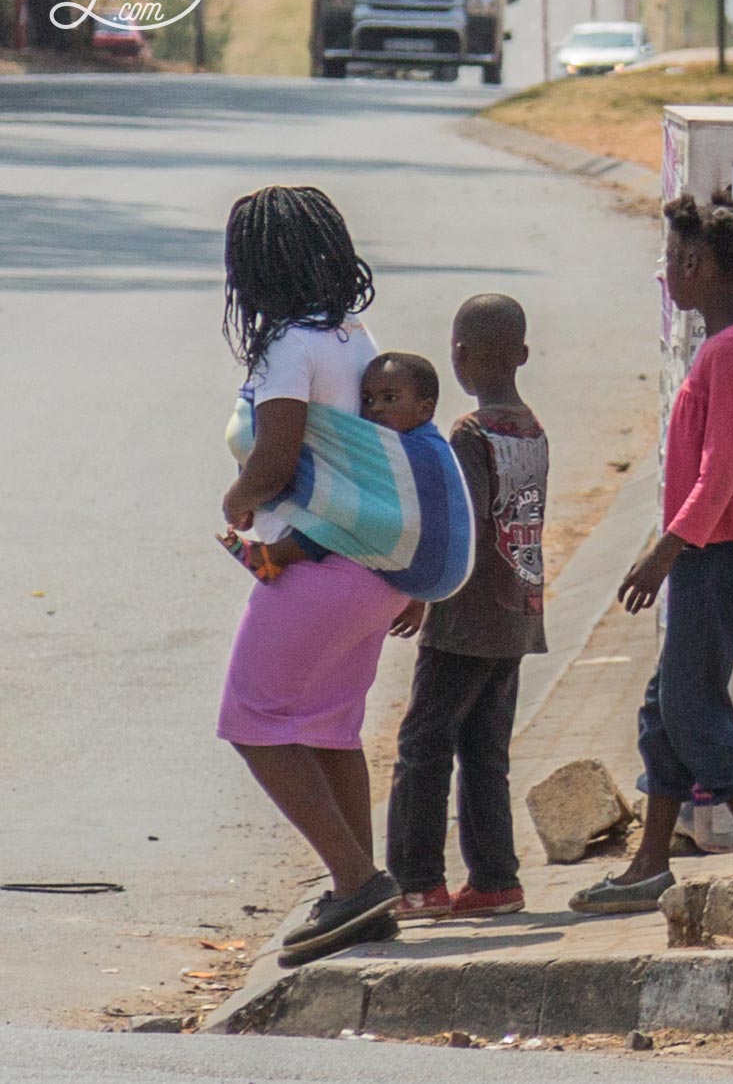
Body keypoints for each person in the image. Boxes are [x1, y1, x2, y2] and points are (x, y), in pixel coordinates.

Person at [570, 192, 733, 915]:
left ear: (695, 264)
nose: (665, 273)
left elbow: (719, 473)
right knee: (663, 708)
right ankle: (649, 861)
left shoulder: (729, 350)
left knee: (691, 711)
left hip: (720, 551)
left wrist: (663, 552)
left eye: (670, 259)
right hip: (731, 548)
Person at [216, 185, 409, 966]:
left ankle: (358, 880)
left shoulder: (288, 348)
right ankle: (360, 898)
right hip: (372, 564)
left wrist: (235, 499)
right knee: (328, 725)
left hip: (318, 564)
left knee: (254, 720)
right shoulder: (351, 336)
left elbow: (277, 456)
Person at [385, 296, 548, 921]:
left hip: (466, 619)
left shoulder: (470, 433)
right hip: (517, 615)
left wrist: (423, 594)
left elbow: (465, 527)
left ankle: (418, 884)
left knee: (423, 746)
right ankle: (495, 880)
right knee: (485, 752)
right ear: (523, 356)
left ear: (457, 357)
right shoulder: (531, 427)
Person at [221, 352, 442, 581]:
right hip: (387, 551)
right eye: (367, 400)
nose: (376, 407)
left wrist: (419, 594)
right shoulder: (375, 443)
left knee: (333, 525)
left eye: (390, 399)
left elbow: (435, 522)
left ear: (424, 409)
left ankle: (273, 556)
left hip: (393, 546)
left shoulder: (424, 452)